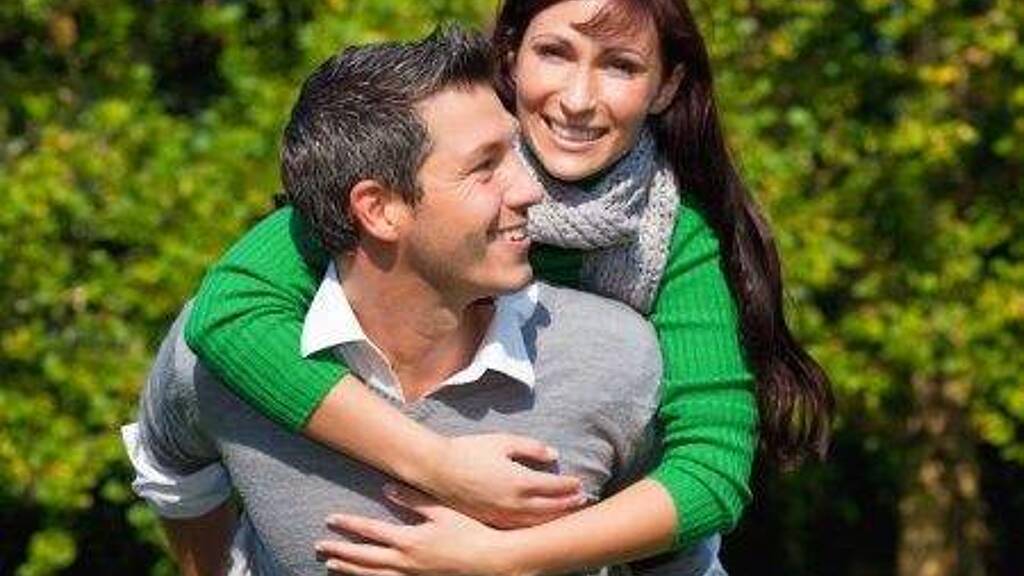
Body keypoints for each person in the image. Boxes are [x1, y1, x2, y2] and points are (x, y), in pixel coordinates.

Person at [184, 0, 835, 573]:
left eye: (620, 66)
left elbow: (711, 471)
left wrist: (503, 559)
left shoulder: (675, 239)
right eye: (555, 53)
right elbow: (228, 314)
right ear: (510, 57)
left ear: (666, 86)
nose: (578, 98)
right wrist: (440, 467)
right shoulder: (416, 173)